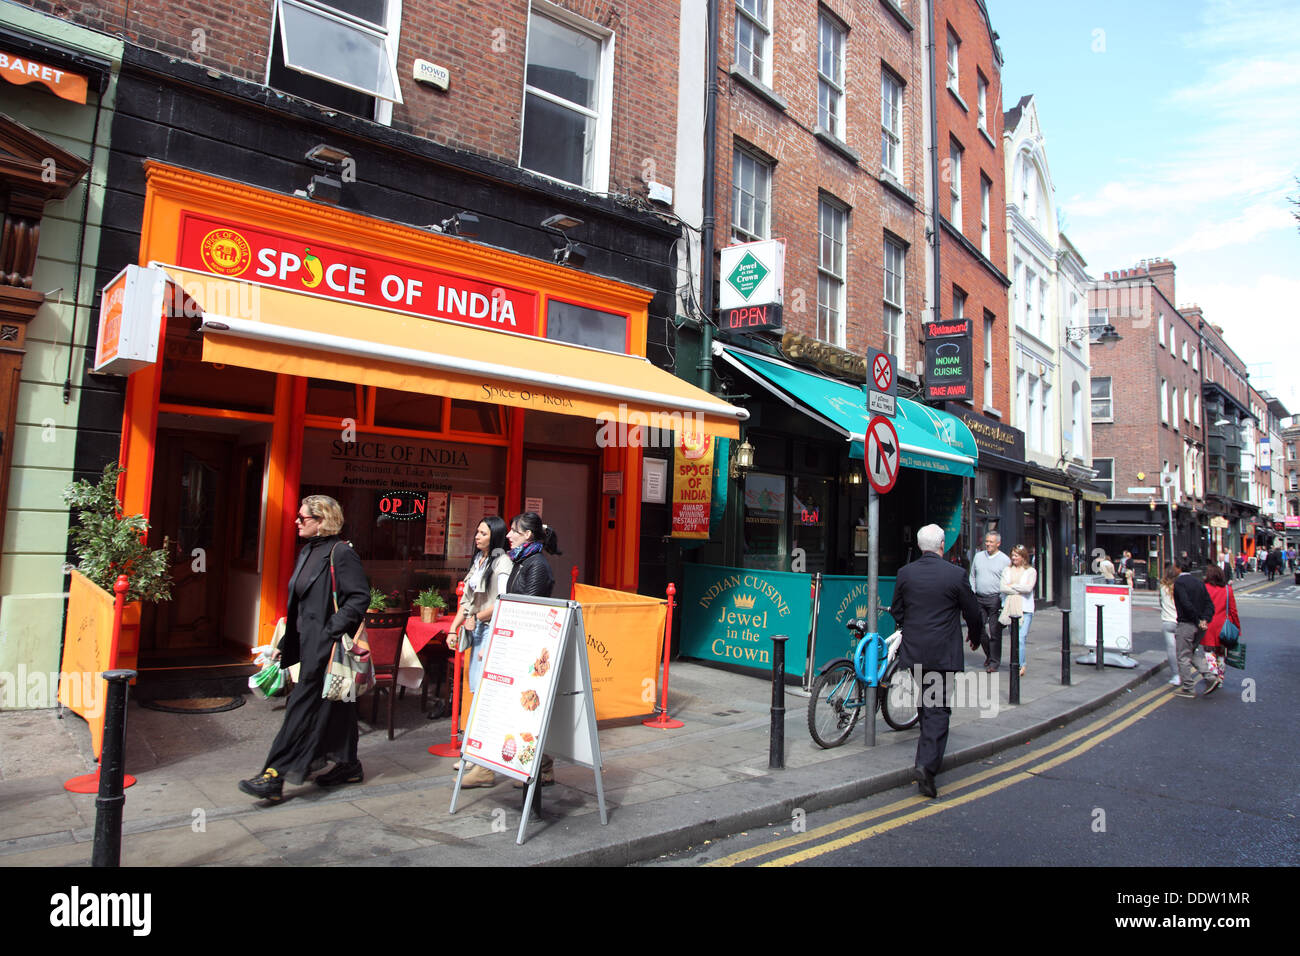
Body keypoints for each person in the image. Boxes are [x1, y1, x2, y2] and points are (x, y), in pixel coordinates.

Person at [239, 495, 370, 802]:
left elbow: (358, 598)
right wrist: (286, 642)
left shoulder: (340, 553)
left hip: (323, 649)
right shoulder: (308, 551)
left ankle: (274, 775)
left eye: (303, 518)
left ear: (322, 520)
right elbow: (301, 605)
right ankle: (349, 765)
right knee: (338, 705)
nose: (297, 522)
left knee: (301, 708)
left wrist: (331, 630)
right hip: (307, 642)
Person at [892, 524, 984, 798]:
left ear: (921, 546)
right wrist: (976, 638)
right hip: (942, 653)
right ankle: (926, 766)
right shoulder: (955, 575)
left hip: (915, 651)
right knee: (937, 708)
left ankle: (925, 757)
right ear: (942, 544)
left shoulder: (905, 573)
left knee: (927, 702)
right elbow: (973, 613)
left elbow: (897, 609)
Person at [446, 516, 513, 788]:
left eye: (483, 533)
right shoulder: (479, 561)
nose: (477, 536)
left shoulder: (502, 563)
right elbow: (467, 600)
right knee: (477, 690)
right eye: (476, 532)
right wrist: (454, 628)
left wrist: (479, 617)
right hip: (478, 629)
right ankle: (476, 754)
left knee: (486, 693)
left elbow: (504, 600)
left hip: (493, 631)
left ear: (494, 536)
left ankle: (482, 759)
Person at [505, 511, 562, 786]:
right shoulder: (521, 561)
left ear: (527, 535)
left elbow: (529, 610)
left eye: (514, 530)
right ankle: (538, 765)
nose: (508, 535)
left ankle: (537, 767)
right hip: (515, 643)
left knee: (530, 706)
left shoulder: (536, 564)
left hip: (528, 647)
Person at [1172, 564, 1218, 698]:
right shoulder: (1199, 582)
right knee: (1190, 652)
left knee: (1183, 656)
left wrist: (1198, 619)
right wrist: (1205, 619)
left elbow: (1186, 604)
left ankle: (1188, 688)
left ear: (1178, 569)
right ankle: (1210, 677)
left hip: (1187, 624)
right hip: (1201, 626)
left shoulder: (1179, 583)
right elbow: (1210, 604)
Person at [968, 531, 1010, 673]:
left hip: (995, 598)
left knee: (994, 631)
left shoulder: (1004, 560)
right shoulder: (978, 557)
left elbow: (1007, 581)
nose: (988, 544)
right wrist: (972, 591)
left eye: (991, 542)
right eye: (986, 541)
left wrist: (1003, 600)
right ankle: (989, 655)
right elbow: (972, 575)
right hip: (979, 597)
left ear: (998, 543)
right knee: (979, 628)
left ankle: (994, 662)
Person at [999, 545, 1037, 677]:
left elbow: (1028, 589)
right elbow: (1003, 588)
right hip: (1010, 608)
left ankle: (1022, 664)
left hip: (1025, 609)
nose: (1014, 557)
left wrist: (1012, 586)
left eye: (1017, 555)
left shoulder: (1031, 571)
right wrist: (1018, 588)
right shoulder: (1007, 570)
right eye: (1013, 555)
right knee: (1014, 638)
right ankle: (1015, 663)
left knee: (1021, 637)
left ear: (1023, 557)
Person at [1201, 564, 1239, 686]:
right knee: (1221, 652)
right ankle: (1221, 677)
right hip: (1223, 625)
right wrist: (1237, 627)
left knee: (1208, 651)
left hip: (1209, 624)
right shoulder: (1228, 589)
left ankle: (1213, 675)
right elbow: (1233, 610)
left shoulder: (1204, 587)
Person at [1158, 564, 1184, 687]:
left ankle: (1176, 675)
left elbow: (1160, 603)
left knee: (1171, 650)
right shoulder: (1179, 587)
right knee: (1183, 650)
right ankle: (1185, 673)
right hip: (1180, 621)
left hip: (1167, 621)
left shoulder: (1162, 587)